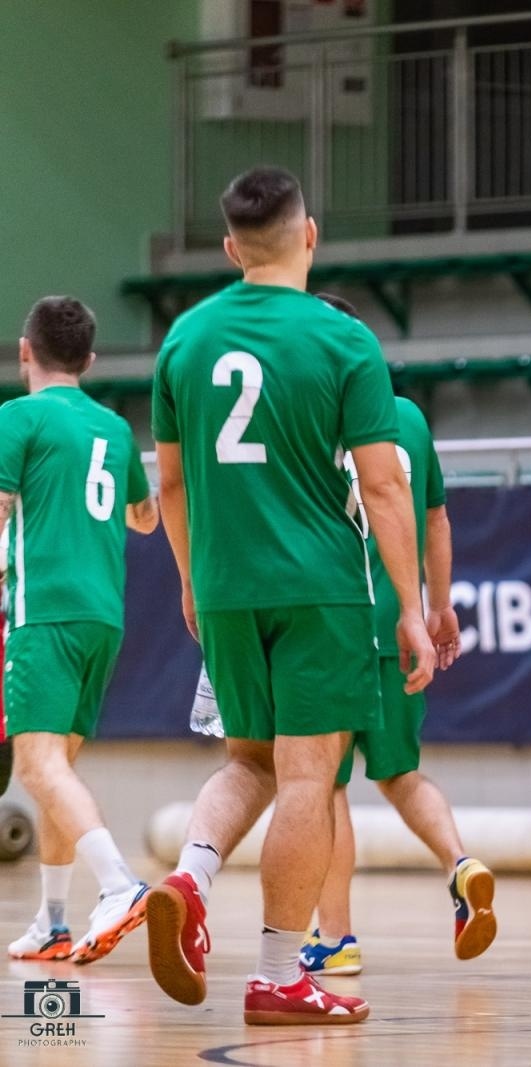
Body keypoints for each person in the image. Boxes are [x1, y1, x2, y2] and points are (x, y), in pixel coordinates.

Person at [145, 166, 436, 1025]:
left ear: (231, 248)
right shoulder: (345, 342)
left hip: (227, 585)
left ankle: (189, 878)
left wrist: (193, 581)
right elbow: (384, 488)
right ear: (310, 235)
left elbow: (170, 484)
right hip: (319, 588)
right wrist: (412, 609)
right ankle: (278, 974)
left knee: (247, 761)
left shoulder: (183, 341)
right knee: (309, 773)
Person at [298, 292, 494, 977]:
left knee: (323, 786)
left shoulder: (309, 408)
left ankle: (336, 936)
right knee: (403, 773)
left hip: (335, 619)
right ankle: (461, 863)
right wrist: (440, 608)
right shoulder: (408, 417)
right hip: (401, 617)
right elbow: (436, 520)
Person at [1, 297, 159, 964]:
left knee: (36, 766)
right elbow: (145, 518)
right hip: (104, 614)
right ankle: (54, 919)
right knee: (56, 770)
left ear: (24, 351)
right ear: (90, 360)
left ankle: (120, 884)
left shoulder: (18, 416)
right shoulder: (115, 428)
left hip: (47, 611)